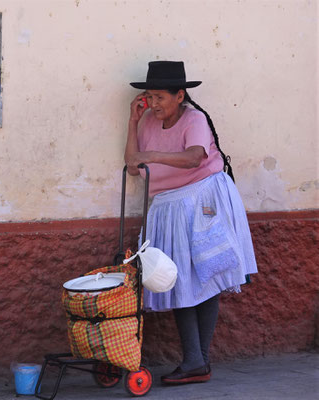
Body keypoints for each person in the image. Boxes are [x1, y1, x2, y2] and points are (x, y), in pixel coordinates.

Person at [124, 61, 258, 385]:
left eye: (160, 97)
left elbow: (194, 157)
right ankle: (197, 361)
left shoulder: (194, 119)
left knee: (205, 272)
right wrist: (132, 121)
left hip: (202, 199)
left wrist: (152, 155)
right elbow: (131, 165)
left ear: (180, 95)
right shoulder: (146, 123)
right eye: (149, 97)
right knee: (175, 277)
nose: (153, 104)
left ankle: (197, 360)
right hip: (169, 207)